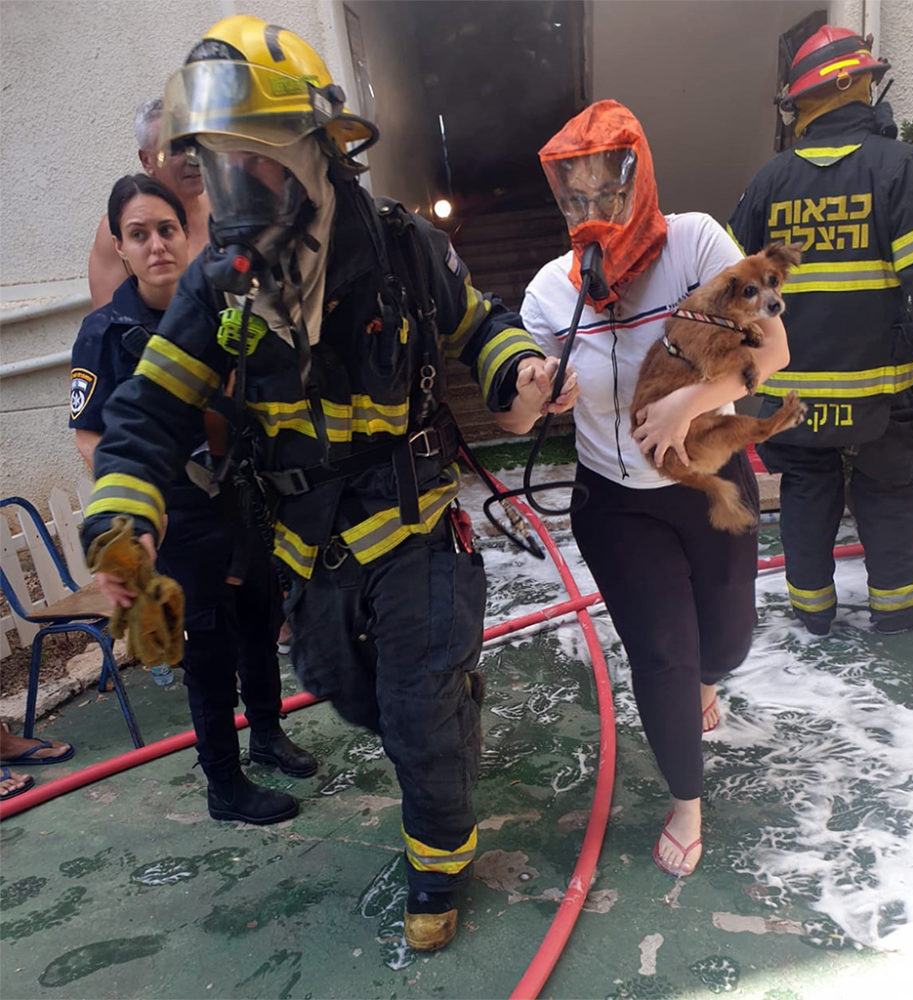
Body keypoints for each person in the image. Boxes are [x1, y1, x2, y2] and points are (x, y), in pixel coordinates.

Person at [79, 16, 576, 952]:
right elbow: (147, 411)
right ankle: (439, 709)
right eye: (214, 168)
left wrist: (520, 375)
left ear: (310, 151)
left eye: (249, 164)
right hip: (304, 541)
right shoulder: (219, 285)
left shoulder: (398, 249)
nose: (231, 191)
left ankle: (438, 858)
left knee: (415, 706)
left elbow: (483, 323)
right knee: (345, 690)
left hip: (412, 521)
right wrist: (124, 522)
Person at [521, 100, 792, 877]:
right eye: (574, 196)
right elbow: (516, 404)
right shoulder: (552, 290)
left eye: (606, 190)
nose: (592, 209)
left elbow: (773, 348)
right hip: (616, 501)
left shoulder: (699, 242)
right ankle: (686, 801)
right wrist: (539, 387)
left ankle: (712, 678)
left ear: (637, 181)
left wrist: (690, 402)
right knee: (663, 655)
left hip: (708, 473)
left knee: (726, 641)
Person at [71, 173, 317, 826]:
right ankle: (225, 783)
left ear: (187, 236)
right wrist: (136, 517)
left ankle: (267, 734)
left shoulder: (222, 310)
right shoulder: (106, 331)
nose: (156, 246)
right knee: (208, 654)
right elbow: (94, 438)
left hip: (243, 500)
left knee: (261, 623)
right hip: (175, 516)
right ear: (120, 249)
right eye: (138, 234)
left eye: (167, 230)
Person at [727, 26, 913, 636]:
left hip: (795, 391)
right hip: (880, 387)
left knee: (804, 489)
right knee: (889, 487)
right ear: (850, 85)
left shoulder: (769, 182)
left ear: (801, 105)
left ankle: (812, 611)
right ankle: (900, 608)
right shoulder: (899, 168)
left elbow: (727, 285)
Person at [87, 98, 210, 309]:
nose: (194, 158)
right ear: (146, 161)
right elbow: (111, 328)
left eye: (197, 145)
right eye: (177, 149)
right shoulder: (118, 229)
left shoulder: (223, 212)